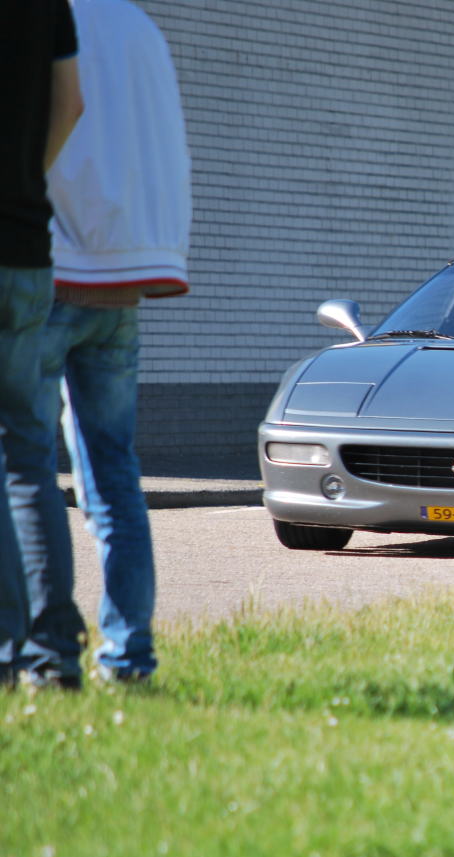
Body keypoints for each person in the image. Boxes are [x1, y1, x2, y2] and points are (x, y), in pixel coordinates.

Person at [19, 0, 191, 688]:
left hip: (58, 261)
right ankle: (129, 655)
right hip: (128, 273)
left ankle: (49, 652)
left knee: (26, 468)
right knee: (115, 472)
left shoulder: (55, 21)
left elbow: (59, 118)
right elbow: (168, 144)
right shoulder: (142, 29)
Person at [0, 1, 82, 687]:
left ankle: (4, 652)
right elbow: (71, 101)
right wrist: (24, 178)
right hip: (28, 249)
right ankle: (52, 655)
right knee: (28, 454)